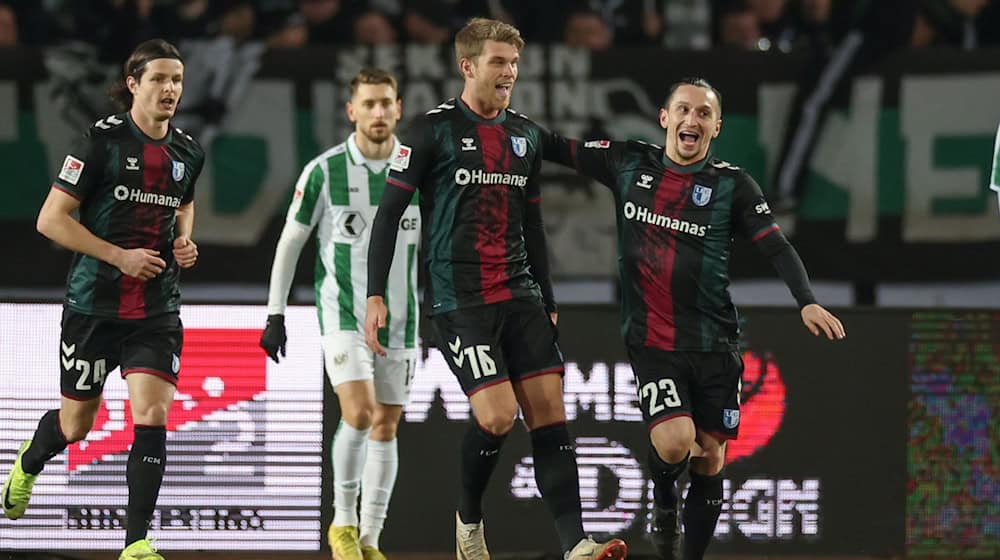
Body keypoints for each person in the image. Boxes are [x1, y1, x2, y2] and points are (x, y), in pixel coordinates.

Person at [541, 77, 846, 560]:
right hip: (653, 341)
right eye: (683, 110)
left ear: (716, 127)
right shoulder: (628, 162)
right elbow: (555, 146)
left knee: (709, 457)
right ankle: (663, 499)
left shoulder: (733, 186)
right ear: (664, 118)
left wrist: (805, 299)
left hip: (716, 343)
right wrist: (500, 119)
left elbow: (777, 246)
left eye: (703, 114)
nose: (692, 120)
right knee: (676, 439)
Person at [364, 17, 628, 560]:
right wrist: (376, 295)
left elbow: (532, 224)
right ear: (468, 66)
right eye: (498, 63)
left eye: (513, 63)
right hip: (459, 300)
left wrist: (548, 298)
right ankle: (468, 519)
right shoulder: (428, 130)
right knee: (496, 415)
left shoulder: (525, 135)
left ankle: (575, 542)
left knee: (551, 412)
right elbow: (388, 215)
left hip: (521, 294)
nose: (509, 73)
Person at [2, 39, 204, 560]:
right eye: (159, 78)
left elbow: (183, 205)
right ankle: (29, 460)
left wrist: (184, 241)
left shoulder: (187, 150)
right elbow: (50, 220)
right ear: (133, 84)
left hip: (156, 309)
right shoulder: (98, 143)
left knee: (153, 415)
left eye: (177, 80)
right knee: (77, 425)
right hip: (94, 305)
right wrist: (119, 257)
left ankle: (136, 544)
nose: (170, 89)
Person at [258, 67, 416, 560]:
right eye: (368, 104)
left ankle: (370, 539)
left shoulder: (416, 170)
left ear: (398, 109)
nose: (378, 112)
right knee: (361, 412)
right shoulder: (325, 171)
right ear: (351, 111)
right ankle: (343, 521)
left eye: (385, 103)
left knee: (387, 425)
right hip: (343, 313)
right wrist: (275, 314)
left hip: (404, 318)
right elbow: (290, 243)